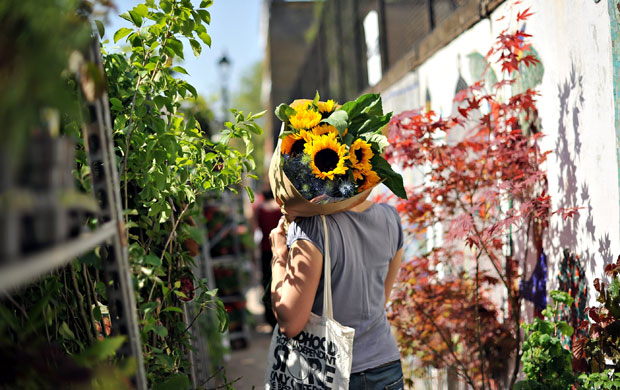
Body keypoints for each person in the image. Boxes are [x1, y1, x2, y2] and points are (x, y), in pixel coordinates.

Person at [269, 194, 405, 390]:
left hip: (330, 371)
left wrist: (279, 256)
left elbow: (290, 323)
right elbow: (381, 301)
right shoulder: (390, 217)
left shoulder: (313, 226)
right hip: (386, 368)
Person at [253, 187, 282, 328]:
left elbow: (255, 227)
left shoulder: (260, 209)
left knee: (267, 283)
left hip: (265, 249)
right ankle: (282, 314)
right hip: (280, 248)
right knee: (282, 281)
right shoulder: (279, 208)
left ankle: (270, 318)